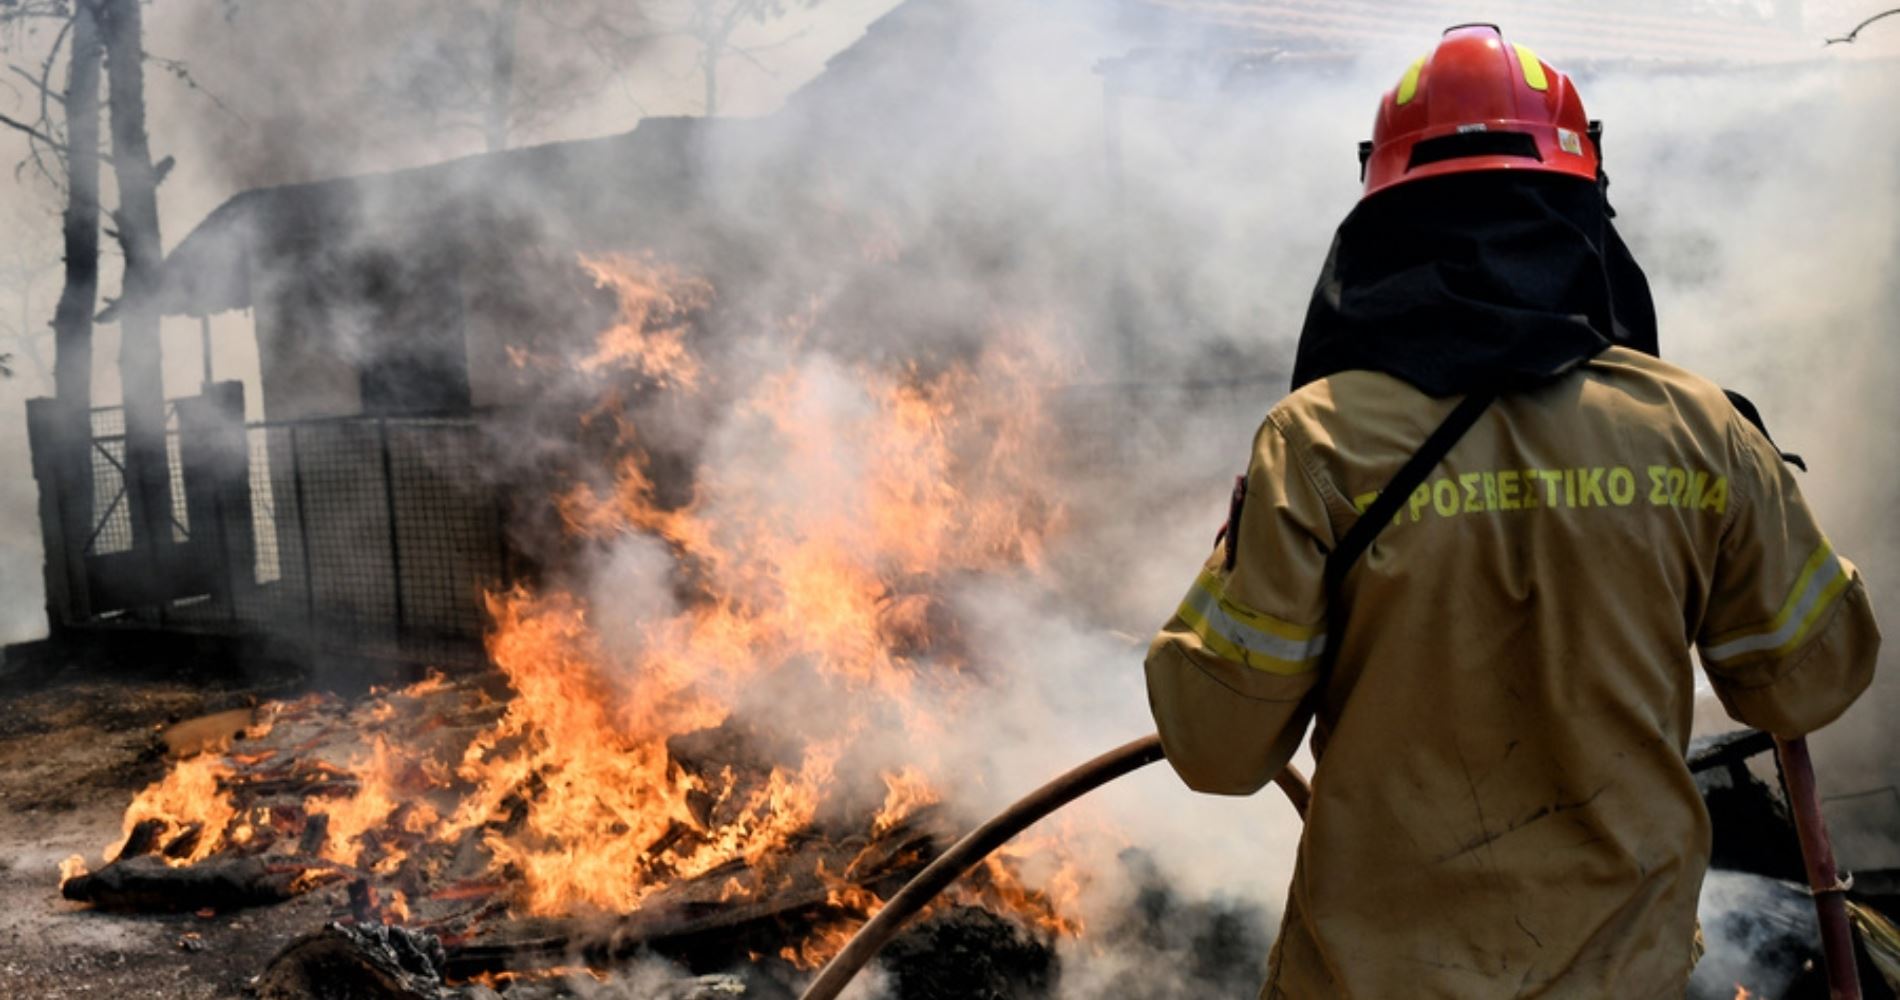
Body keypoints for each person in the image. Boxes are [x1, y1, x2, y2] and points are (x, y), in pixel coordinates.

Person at [1143, 24, 1881, 999]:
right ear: (1581, 217)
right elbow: (1808, 683)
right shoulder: (1696, 427)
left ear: (1383, 227)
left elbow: (1218, 749)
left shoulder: (1313, 443)